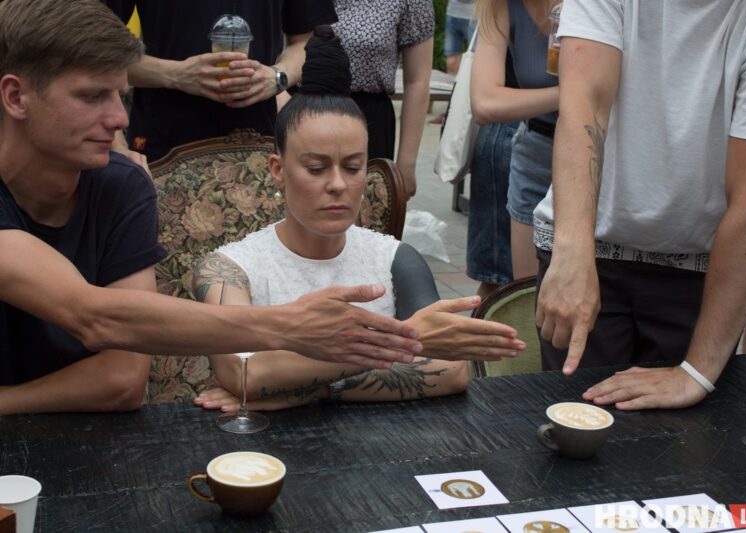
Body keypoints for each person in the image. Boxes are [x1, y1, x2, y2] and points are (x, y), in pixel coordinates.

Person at [0, 0, 438, 415]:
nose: (120, 119)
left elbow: (122, 380)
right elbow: (94, 317)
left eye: (121, 95)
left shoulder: (122, 184)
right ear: (16, 97)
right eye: (93, 96)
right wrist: (290, 326)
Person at [192, 27, 525, 413]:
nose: (338, 185)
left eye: (352, 167)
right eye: (316, 168)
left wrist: (304, 392)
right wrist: (400, 347)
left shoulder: (395, 259)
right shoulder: (230, 269)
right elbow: (244, 373)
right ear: (278, 170)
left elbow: (451, 370)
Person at [534, 0, 746, 410]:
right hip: (588, 242)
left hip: (702, 268)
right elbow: (584, 106)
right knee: (575, 427)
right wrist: (571, 250)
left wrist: (696, 372)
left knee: (685, 451)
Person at [104, 0, 338, 162]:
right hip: (164, 146)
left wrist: (278, 76)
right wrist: (176, 75)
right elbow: (90, 52)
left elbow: (308, 42)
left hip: (261, 143)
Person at [471, 0, 559, 281]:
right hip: (535, 150)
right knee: (527, 298)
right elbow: (485, 103)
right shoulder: (499, 4)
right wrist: (574, 92)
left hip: (596, 154)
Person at [332, 0, 433, 198]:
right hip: (304, 114)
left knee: (366, 215)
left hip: (368, 120)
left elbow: (417, 81)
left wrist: (406, 163)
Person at [466, 51, 518, 298]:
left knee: (499, 280)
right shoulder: (507, 12)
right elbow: (485, 105)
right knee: (499, 280)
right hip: (509, 132)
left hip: (505, 135)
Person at [444, 0, 476, 76]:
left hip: (474, 16)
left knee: (475, 59)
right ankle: (452, 86)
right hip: (452, 14)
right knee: (451, 62)